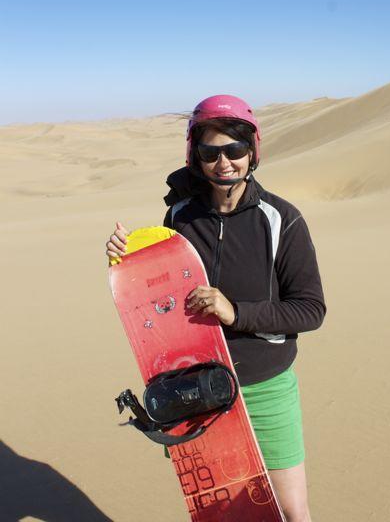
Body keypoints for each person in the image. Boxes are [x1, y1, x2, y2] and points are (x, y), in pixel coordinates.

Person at [106, 94, 326, 522]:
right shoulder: (180, 217)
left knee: (291, 511)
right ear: (195, 155)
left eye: (235, 150)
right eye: (211, 152)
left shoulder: (281, 219)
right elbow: (159, 296)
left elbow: (310, 309)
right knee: (221, 513)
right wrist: (125, 258)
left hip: (265, 387)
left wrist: (236, 312)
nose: (224, 162)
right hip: (198, 388)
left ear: (252, 151)